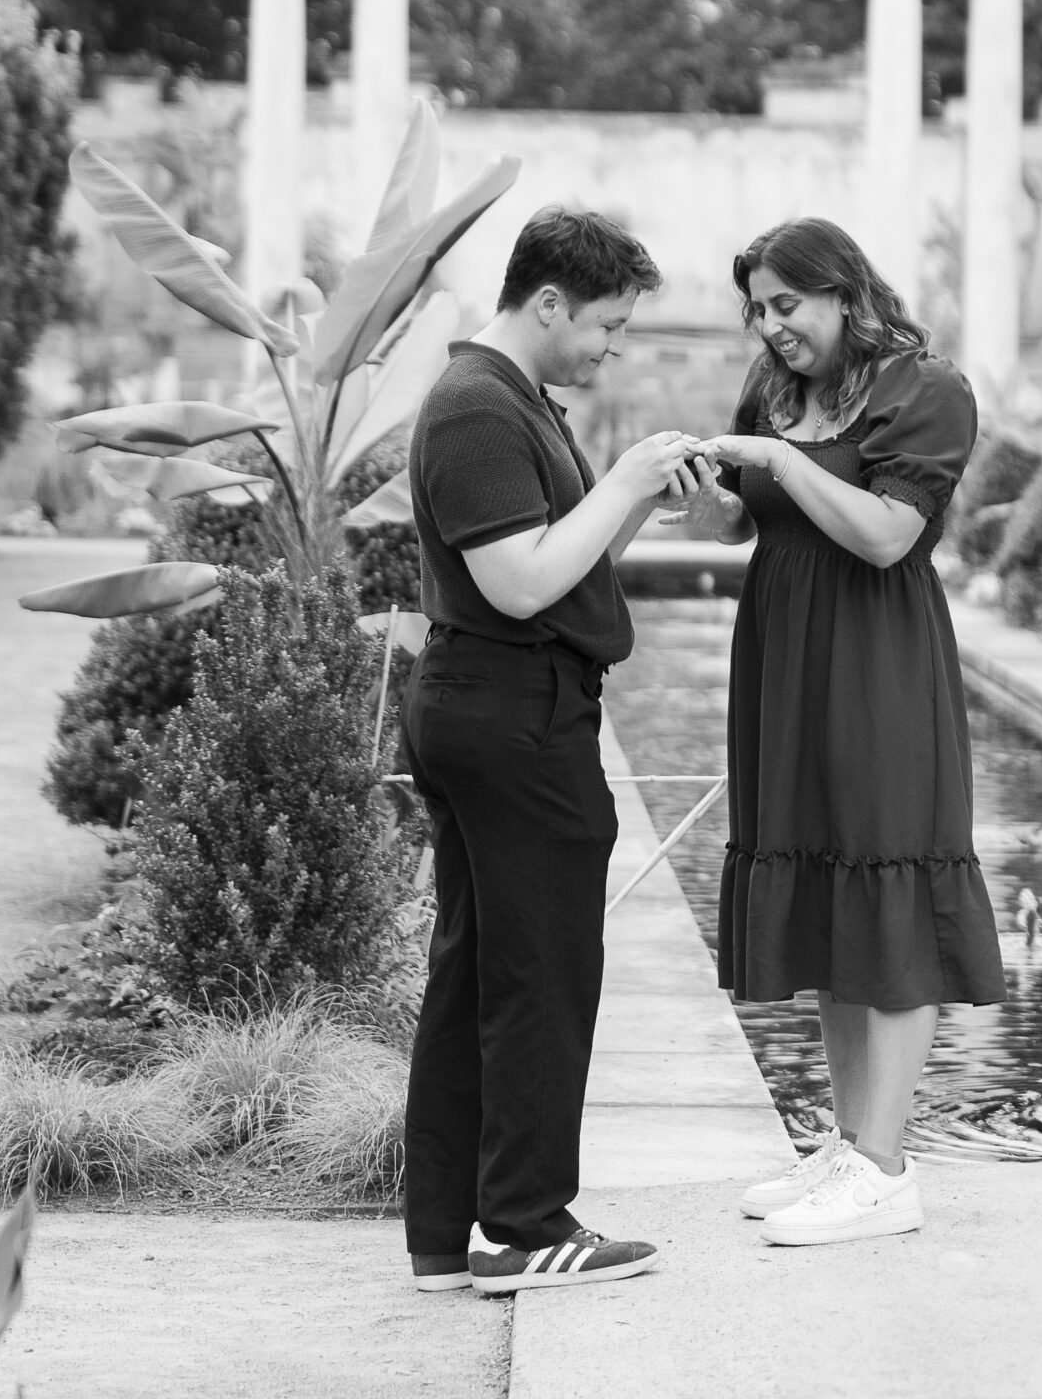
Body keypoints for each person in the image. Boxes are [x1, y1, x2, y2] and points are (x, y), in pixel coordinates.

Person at [399, 205, 705, 1296]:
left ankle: (444, 1238)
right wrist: (619, 480)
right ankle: (527, 1226)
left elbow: (562, 565)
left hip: (498, 704)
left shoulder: (512, 398)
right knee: (542, 976)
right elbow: (520, 584)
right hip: (512, 713)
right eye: (606, 324)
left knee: (478, 972)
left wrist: (633, 501)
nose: (611, 347)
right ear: (546, 302)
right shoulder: (477, 407)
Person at [698, 217, 1005, 1246]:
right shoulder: (775, 390)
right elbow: (738, 522)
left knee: (890, 881)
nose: (770, 326)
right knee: (828, 884)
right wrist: (702, 491)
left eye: (786, 304)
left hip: (877, 662)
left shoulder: (927, 391)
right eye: (757, 309)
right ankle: (846, 1144)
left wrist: (776, 463)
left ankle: (885, 1167)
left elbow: (884, 536)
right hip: (785, 662)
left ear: (844, 291)